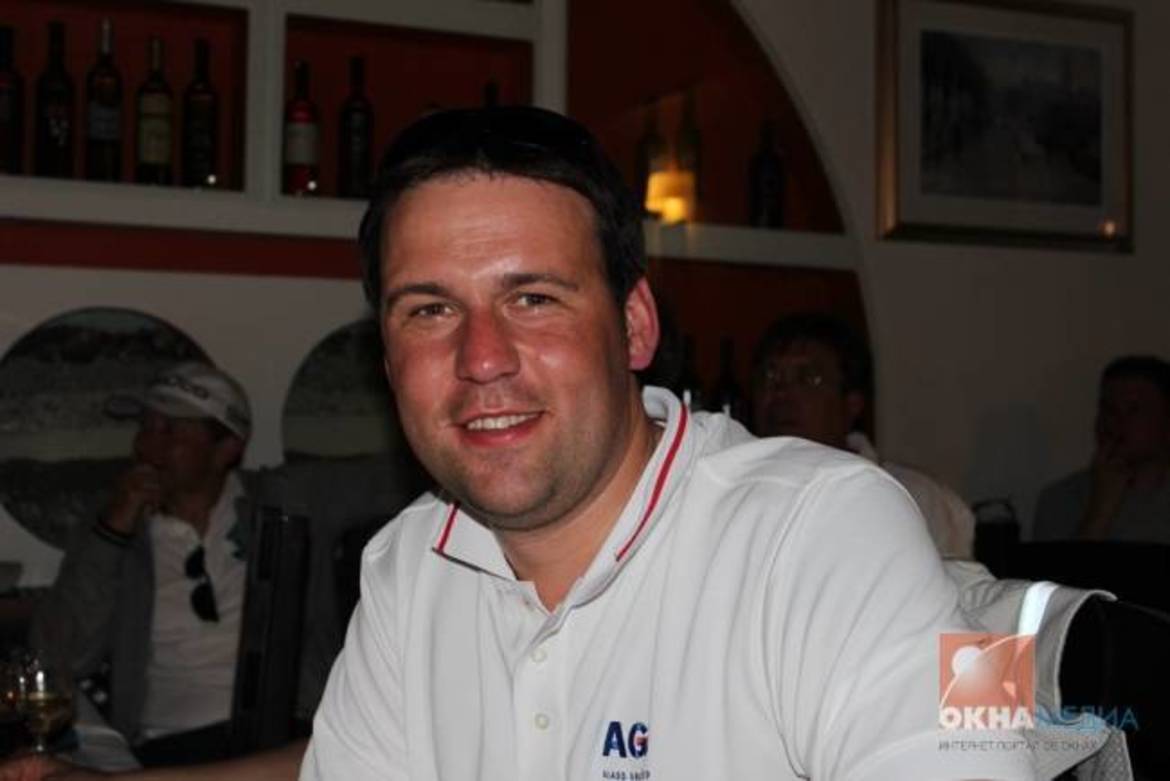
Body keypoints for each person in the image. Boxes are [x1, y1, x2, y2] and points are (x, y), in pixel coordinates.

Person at [299, 105, 1053, 780]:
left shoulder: (823, 527)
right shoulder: (405, 566)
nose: (483, 358)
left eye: (533, 299)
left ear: (634, 327)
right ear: (387, 361)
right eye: (429, 311)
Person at [28, 362, 422, 766]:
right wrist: (112, 532)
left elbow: (398, 477)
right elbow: (59, 658)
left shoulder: (283, 498)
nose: (147, 445)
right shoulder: (114, 531)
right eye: (146, 427)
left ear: (226, 448)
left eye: (170, 431)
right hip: (170, 746)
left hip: (292, 733)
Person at [750, 313, 975, 559]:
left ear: (852, 404)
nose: (781, 392)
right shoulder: (739, 493)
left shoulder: (918, 499)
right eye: (770, 376)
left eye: (808, 379)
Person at [1034, 355, 1170, 543]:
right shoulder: (1062, 500)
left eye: (1134, 410)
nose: (1116, 422)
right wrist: (1101, 508)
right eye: (1109, 409)